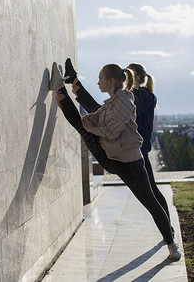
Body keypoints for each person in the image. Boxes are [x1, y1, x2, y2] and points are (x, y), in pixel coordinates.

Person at [49, 60, 181, 260]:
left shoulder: (131, 99)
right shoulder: (112, 102)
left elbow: (111, 130)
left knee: (150, 200)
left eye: (101, 78)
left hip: (133, 161)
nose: (99, 81)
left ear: (112, 81)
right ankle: (61, 88)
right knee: (80, 123)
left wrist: (90, 126)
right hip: (112, 156)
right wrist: (86, 122)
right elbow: (97, 114)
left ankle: (171, 243)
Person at [126, 63, 174, 235]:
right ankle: (168, 228)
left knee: (152, 190)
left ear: (136, 76)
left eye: (127, 73)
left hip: (140, 148)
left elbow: (130, 111)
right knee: (150, 190)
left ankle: (168, 228)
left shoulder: (145, 96)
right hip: (133, 148)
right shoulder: (132, 95)